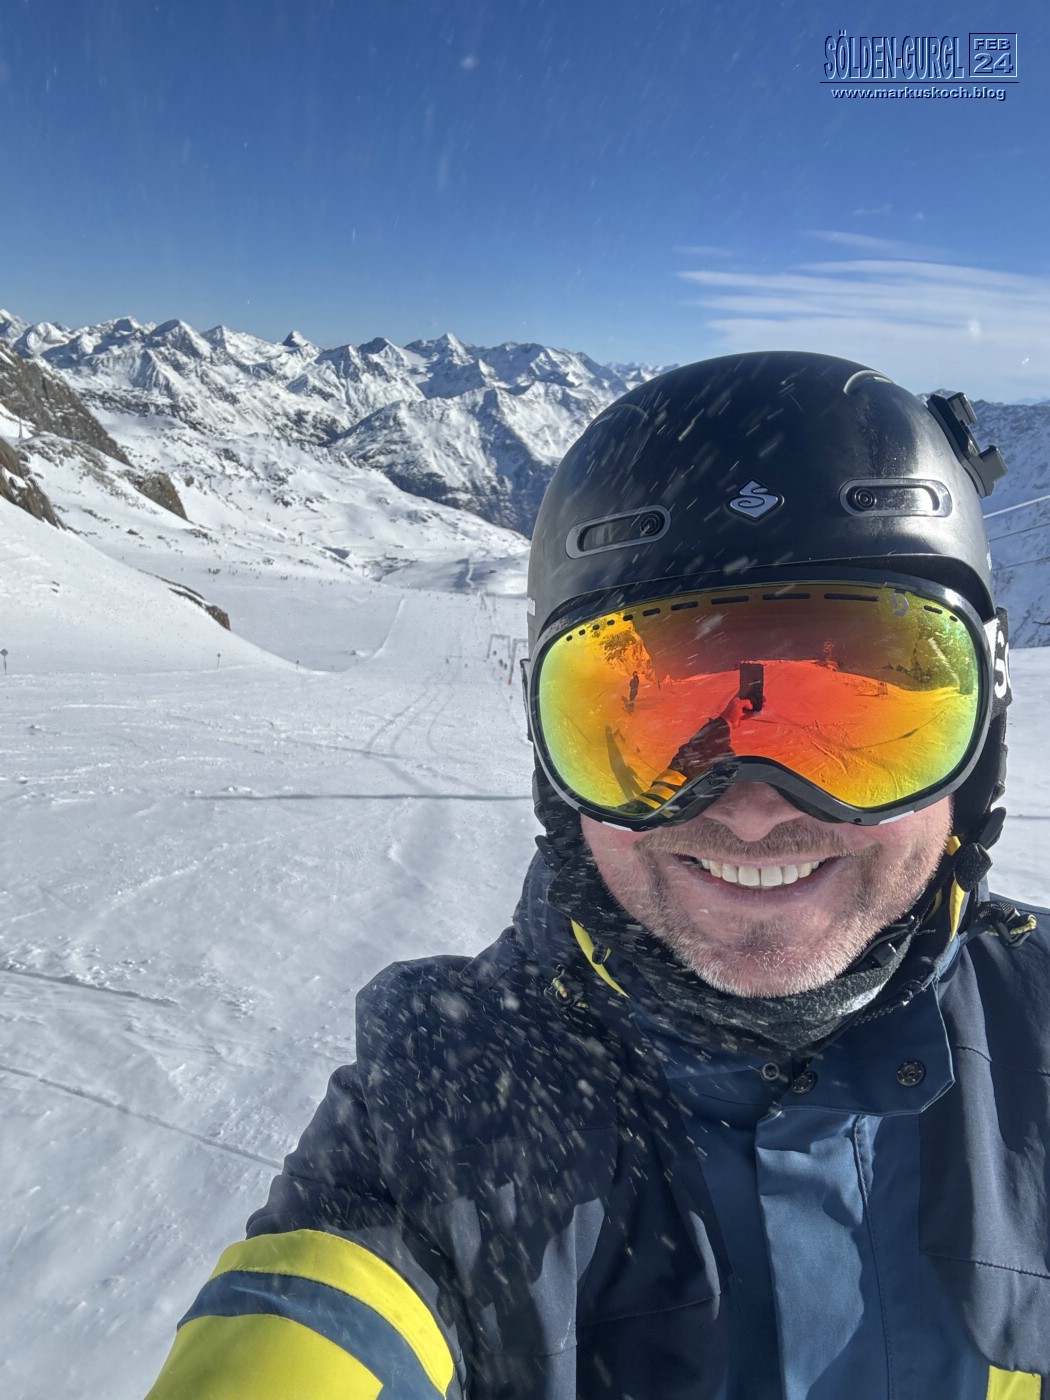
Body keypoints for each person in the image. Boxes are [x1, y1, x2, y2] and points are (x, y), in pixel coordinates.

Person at [145, 352, 1050, 1400]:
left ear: (981, 743)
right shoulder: (447, 1103)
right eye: (656, 725)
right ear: (553, 767)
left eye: (857, 713)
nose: (753, 806)